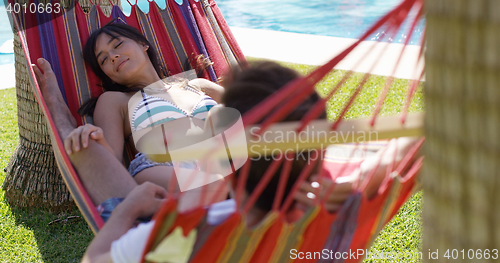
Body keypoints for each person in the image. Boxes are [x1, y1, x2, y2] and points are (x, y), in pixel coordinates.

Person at [80, 61, 420, 263]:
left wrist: (130, 209)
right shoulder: (347, 213)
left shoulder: (187, 233)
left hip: (169, 203)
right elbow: (403, 152)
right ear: (319, 150)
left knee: (97, 169)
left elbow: (94, 260)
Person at [34, 21, 227, 220]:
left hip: (222, 159)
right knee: (218, 188)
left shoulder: (197, 85)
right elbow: (110, 166)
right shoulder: (115, 101)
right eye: (104, 60)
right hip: (164, 166)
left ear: (143, 44)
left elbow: (253, 111)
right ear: (108, 75)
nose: (113, 56)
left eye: (117, 45)